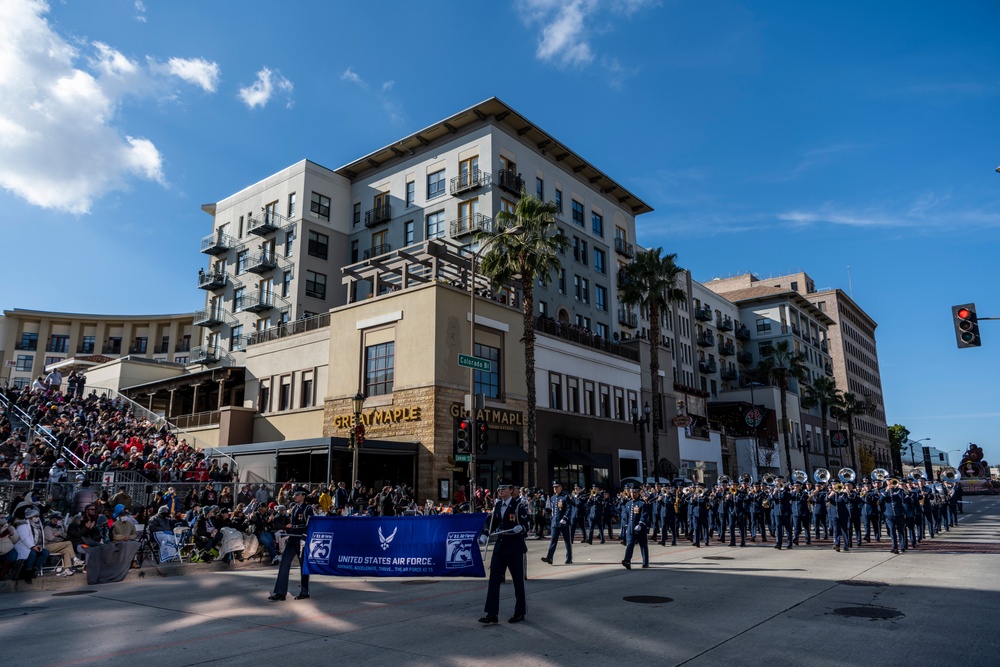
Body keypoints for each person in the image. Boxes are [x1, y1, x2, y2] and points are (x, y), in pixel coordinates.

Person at [479, 479, 530, 624]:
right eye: (499, 488)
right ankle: (492, 613)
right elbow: (492, 523)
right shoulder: (498, 505)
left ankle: (520, 612)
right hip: (500, 547)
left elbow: (527, 524)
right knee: (494, 580)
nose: (500, 491)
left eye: (503, 488)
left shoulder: (518, 505)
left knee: (518, 582)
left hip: (514, 548)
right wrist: (484, 532)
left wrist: (521, 528)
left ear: (511, 490)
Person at [269, 486, 313, 601]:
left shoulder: (307, 508)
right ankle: (280, 592)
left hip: (302, 539)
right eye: (295, 494)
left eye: (298, 494)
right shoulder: (294, 508)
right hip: (293, 538)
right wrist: (285, 533)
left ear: (303, 496)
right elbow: (292, 525)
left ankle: (304, 591)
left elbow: (310, 525)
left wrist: (305, 537)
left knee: (303, 566)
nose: (295, 496)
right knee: (284, 563)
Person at [541, 481, 573, 565]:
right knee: (553, 541)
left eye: (557, 487)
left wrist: (565, 518)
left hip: (564, 523)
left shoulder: (565, 497)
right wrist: (548, 510)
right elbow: (553, 510)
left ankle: (569, 558)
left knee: (567, 541)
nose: (555, 489)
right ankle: (549, 557)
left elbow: (569, 509)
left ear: (561, 487)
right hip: (555, 522)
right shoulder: (552, 498)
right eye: (554, 487)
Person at [620, 482, 650, 569]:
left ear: (638, 493)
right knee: (629, 545)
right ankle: (627, 561)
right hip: (630, 529)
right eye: (632, 492)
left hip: (640, 528)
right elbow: (626, 516)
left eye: (635, 492)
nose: (633, 494)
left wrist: (641, 523)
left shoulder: (642, 504)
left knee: (643, 546)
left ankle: (645, 562)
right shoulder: (628, 504)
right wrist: (626, 526)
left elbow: (644, 515)